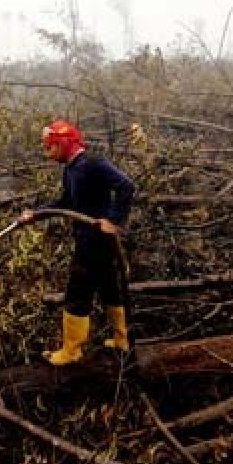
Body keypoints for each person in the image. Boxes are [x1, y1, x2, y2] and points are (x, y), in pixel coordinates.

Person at [19, 119, 136, 365]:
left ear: (64, 143)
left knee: (77, 291)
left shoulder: (94, 163)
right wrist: (36, 213)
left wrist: (113, 219)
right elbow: (65, 203)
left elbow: (127, 187)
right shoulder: (71, 170)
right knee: (109, 287)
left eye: (50, 147)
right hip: (88, 237)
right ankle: (122, 339)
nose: (48, 153)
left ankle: (72, 351)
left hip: (96, 240)